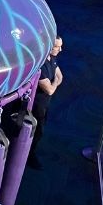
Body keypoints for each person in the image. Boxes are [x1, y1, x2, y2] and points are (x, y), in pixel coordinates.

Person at [28, 37, 63, 169]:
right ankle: (28, 156)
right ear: (48, 46)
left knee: (39, 131)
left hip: (44, 105)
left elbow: (60, 76)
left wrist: (53, 84)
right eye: (56, 47)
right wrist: (53, 85)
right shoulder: (41, 65)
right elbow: (49, 90)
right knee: (34, 131)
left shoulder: (52, 57)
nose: (60, 49)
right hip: (35, 106)